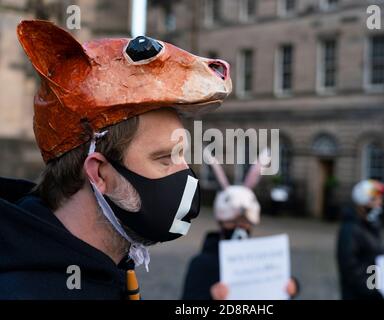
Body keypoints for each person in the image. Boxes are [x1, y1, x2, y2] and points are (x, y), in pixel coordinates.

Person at [0, 20, 231, 299]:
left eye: (182, 156)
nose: (186, 175)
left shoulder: (109, 267)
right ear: (98, 173)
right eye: (164, 158)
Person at [182, 151, 299, 300]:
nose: (239, 228)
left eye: (245, 223)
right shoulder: (201, 264)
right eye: (232, 222)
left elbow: (275, 281)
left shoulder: (259, 259)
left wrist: (292, 287)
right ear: (221, 223)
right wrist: (210, 296)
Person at [336, 179, 384, 300]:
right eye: (375, 199)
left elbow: (374, 255)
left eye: (380, 199)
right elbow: (350, 269)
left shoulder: (371, 225)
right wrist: (373, 289)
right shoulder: (350, 229)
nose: (380, 203)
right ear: (363, 203)